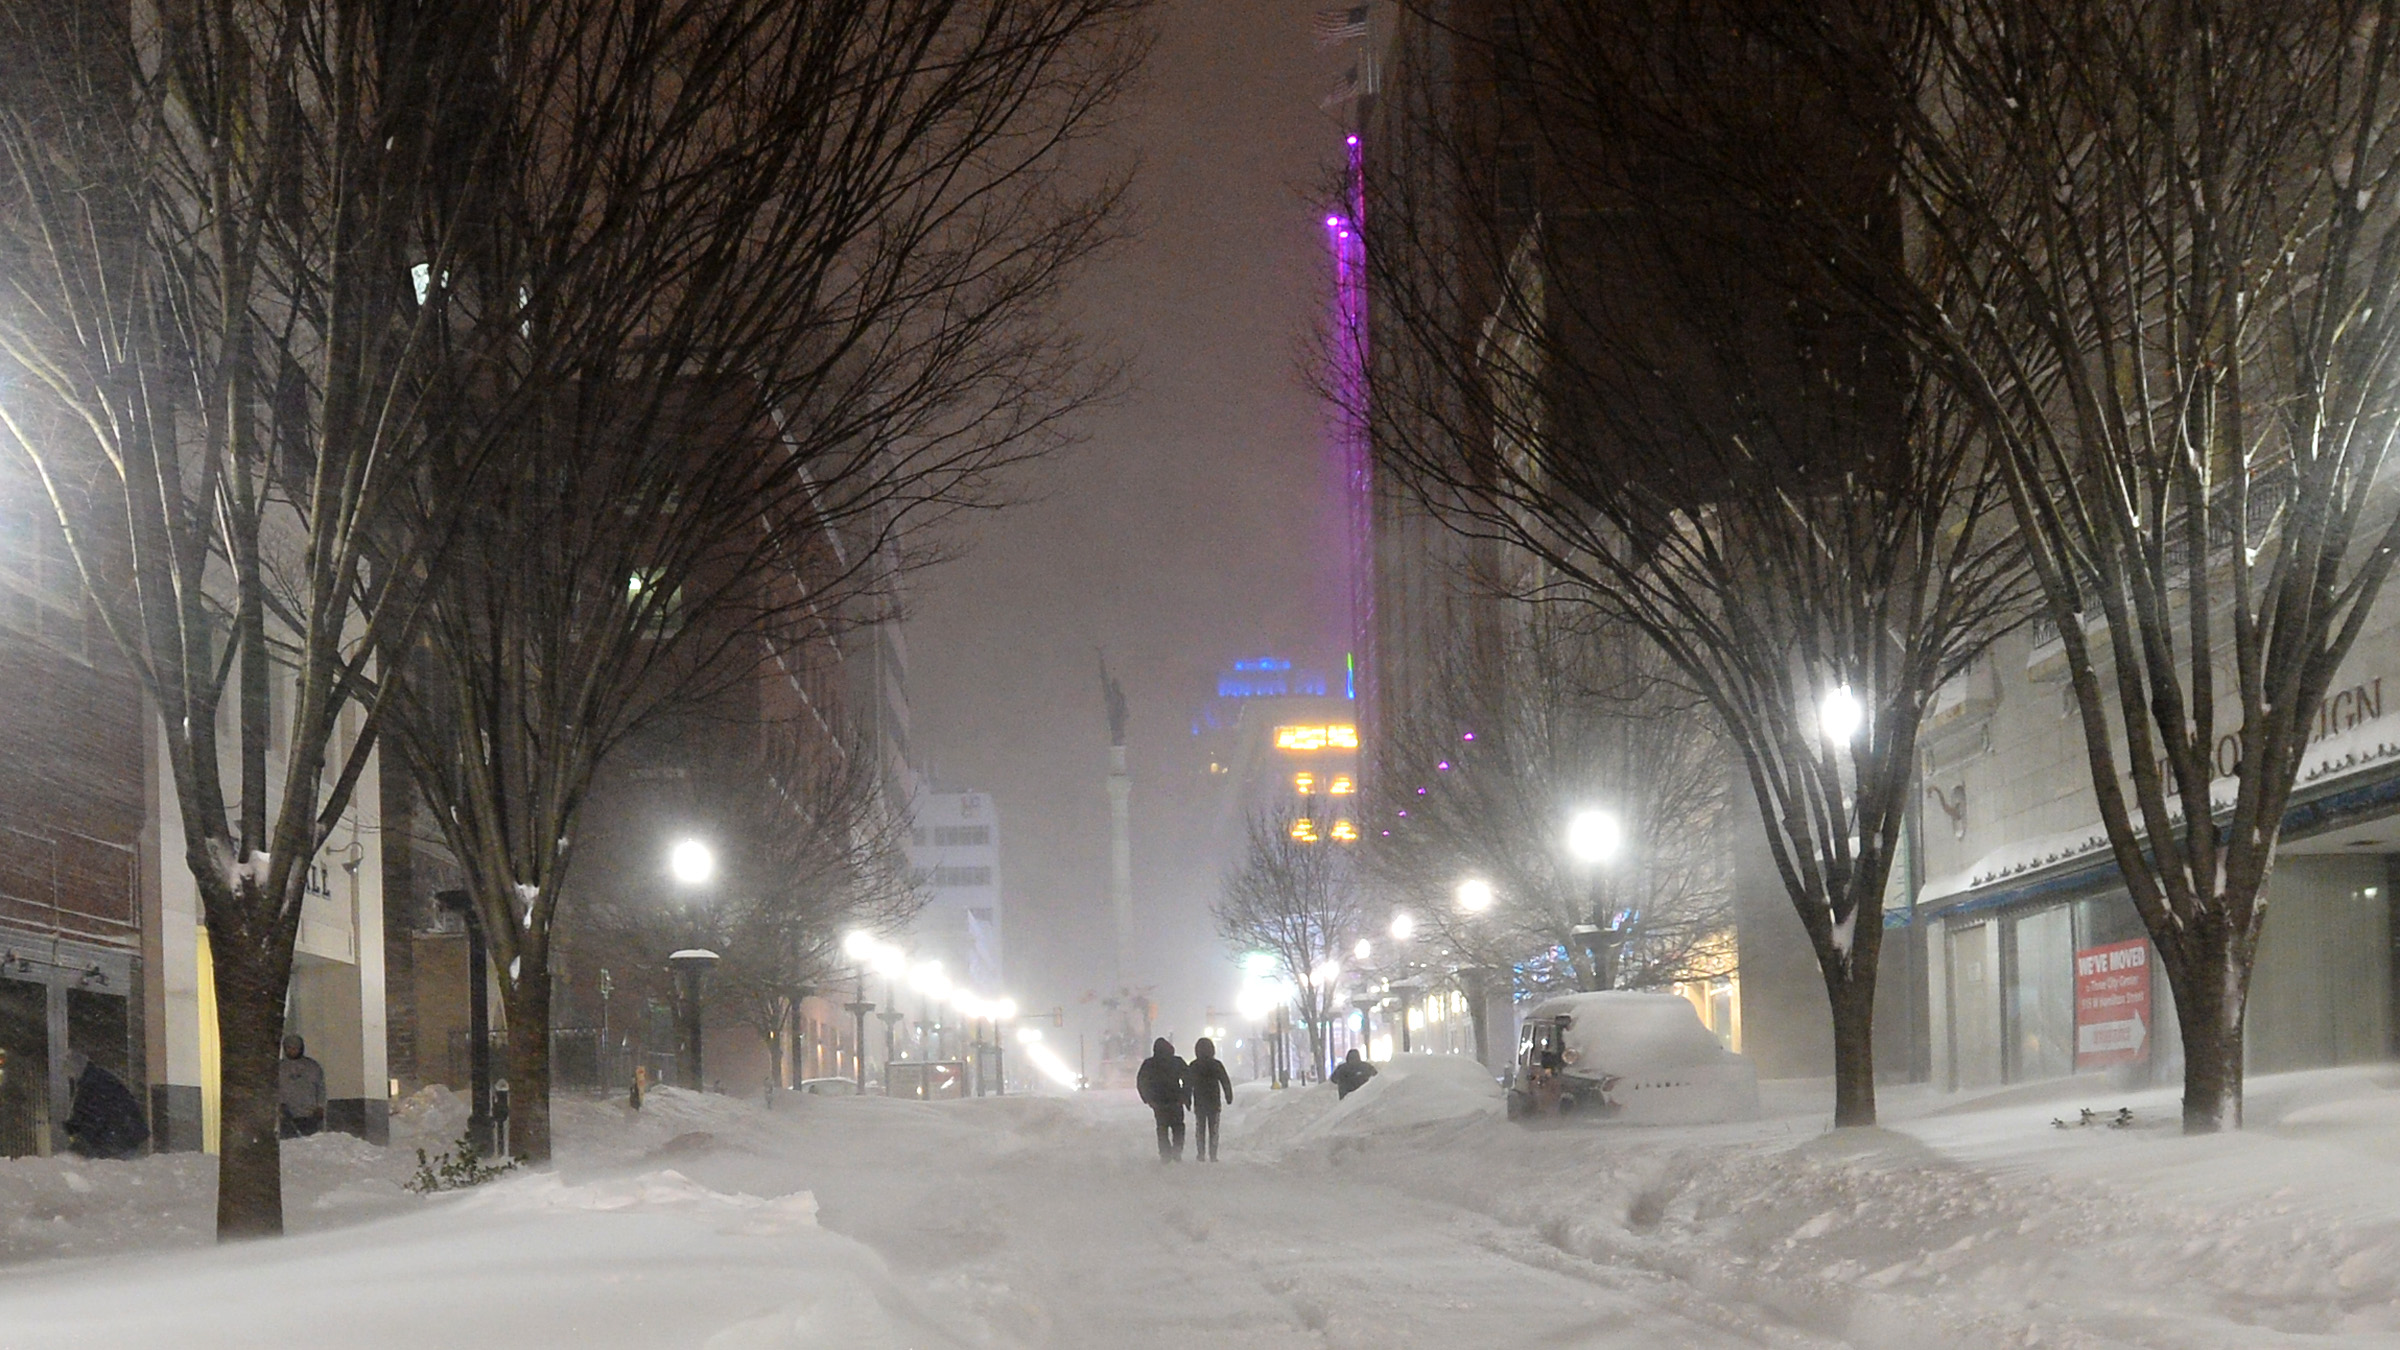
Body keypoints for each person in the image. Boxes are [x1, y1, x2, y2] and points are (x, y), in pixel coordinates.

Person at [61, 1051, 148, 1159]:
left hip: (118, 1138)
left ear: (77, 1069)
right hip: (123, 1134)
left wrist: (80, 1139)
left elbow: (95, 1115)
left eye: (70, 1072)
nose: (70, 1077)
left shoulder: (92, 1084)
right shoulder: (94, 1078)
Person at [1134, 1036, 1189, 1162]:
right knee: (1178, 1127)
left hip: (1158, 1101)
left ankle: (1165, 1153)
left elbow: (1141, 1082)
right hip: (1175, 1099)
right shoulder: (1177, 1061)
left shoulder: (1149, 1063)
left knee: (1162, 1128)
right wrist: (1184, 1095)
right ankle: (1177, 1150)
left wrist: (1147, 1098)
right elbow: (1188, 1078)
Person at [1187, 1036, 1234, 1162]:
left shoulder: (1194, 1065)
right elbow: (1225, 1081)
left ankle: (1201, 1154)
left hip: (1200, 1102)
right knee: (1214, 1129)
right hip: (1214, 1102)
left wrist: (1187, 1099)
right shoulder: (1216, 1065)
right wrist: (1228, 1095)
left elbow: (1188, 1084)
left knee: (1200, 1128)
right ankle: (1213, 1155)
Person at [278, 1033, 327, 1138]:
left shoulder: (313, 1067)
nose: (292, 1050)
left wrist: (320, 1107)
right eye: (289, 1048)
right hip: (287, 1115)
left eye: (295, 1048)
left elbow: (321, 1088)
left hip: (309, 1114)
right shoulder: (279, 1068)